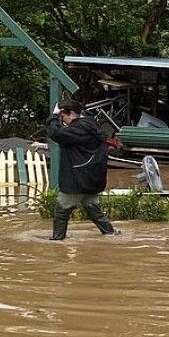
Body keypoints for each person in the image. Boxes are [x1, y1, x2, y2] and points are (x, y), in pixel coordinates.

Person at [45, 99, 118, 240]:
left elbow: (56, 134)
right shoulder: (90, 125)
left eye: (63, 117)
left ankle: (57, 241)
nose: (63, 121)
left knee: (61, 212)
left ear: (71, 113)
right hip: (92, 179)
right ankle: (111, 234)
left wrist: (53, 116)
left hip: (77, 180)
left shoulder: (79, 129)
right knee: (94, 210)